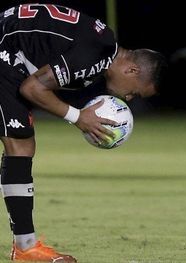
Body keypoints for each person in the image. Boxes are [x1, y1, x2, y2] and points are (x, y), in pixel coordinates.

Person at [0, 3, 167, 262]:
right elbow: (33, 89)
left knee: (21, 143)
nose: (129, 98)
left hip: (11, 51)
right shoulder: (98, 52)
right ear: (132, 70)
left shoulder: (102, 48)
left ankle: (25, 246)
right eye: (134, 92)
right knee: (20, 144)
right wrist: (79, 118)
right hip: (5, 51)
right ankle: (25, 248)